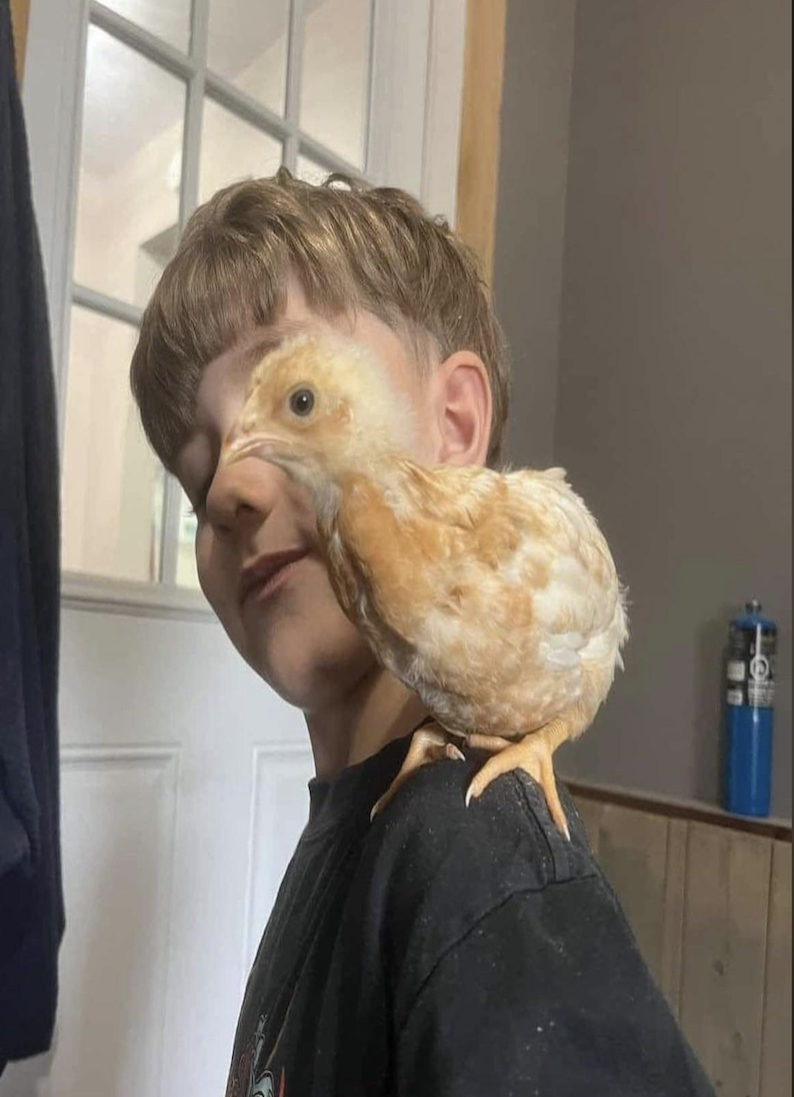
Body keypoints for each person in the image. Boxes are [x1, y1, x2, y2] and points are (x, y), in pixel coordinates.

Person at [130, 169, 715, 1097]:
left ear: (454, 424)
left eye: (301, 401)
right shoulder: (368, 832)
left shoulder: (476, 861)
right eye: (200, 478)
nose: (230, 492)